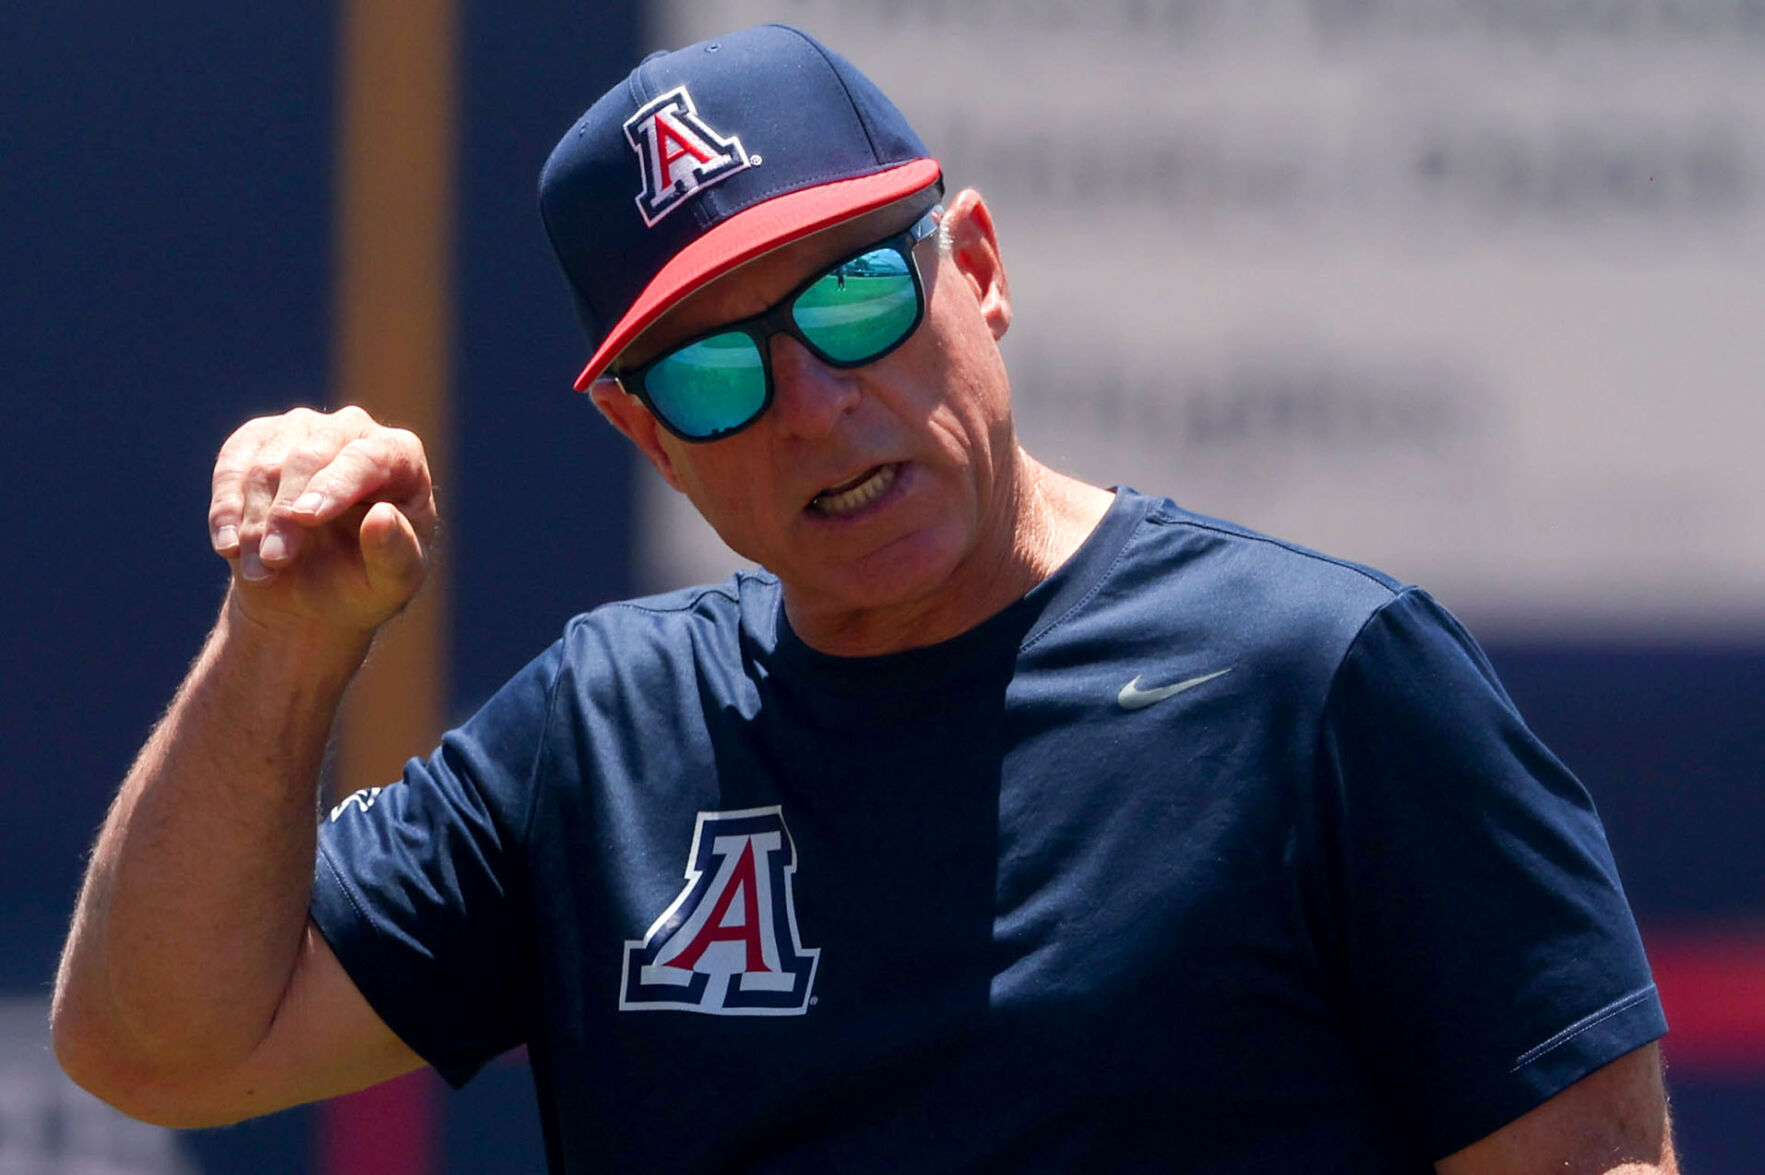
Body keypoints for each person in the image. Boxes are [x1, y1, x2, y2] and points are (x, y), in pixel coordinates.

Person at [53, 23, 1677, 1174]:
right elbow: (159, 1048)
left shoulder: (1318, 681)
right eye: (706, 370)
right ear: (643, 439)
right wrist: (283, 641)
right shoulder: (603, 734)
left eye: (852, 292)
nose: (813, 401)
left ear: (974, 266)